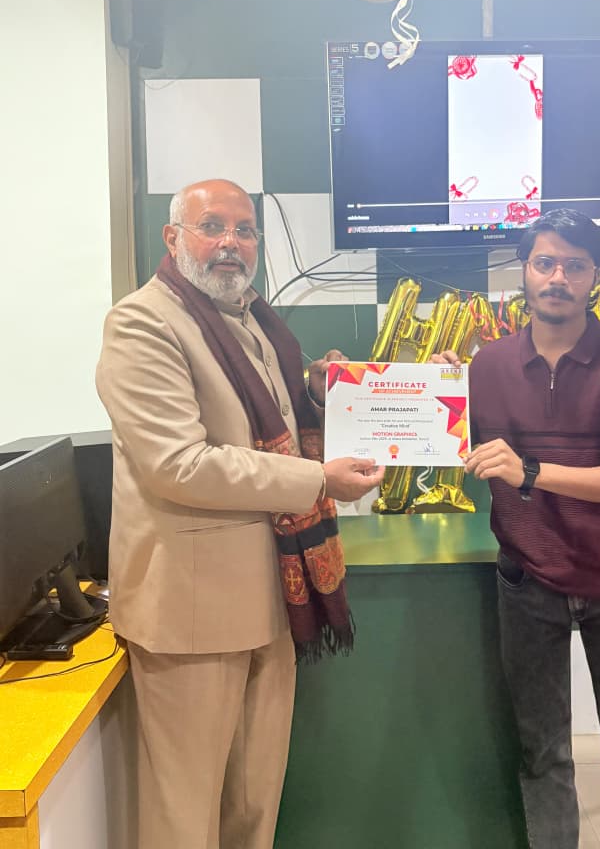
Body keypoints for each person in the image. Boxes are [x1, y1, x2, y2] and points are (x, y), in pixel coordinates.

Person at [96, 178, 384, 849]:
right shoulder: (142, 323)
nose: (231, 242)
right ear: (173, 238)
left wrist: (318, 390)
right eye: (212, 226)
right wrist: (318, 478)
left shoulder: (251, 317)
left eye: (245, 229)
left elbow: (270, 418)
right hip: (191, 611)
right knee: (184, 814)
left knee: (255, 807)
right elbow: (180, 465)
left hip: (272, 600)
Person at [434, 208, 600, 849]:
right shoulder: (486, 367)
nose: (558, 276)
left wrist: (531, 471)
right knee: (543, 756)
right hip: (528, 580)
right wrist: (437, 387)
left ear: (594, 276)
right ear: (525, 271)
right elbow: (442, 440)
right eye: (545, 262)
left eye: (574, 265)